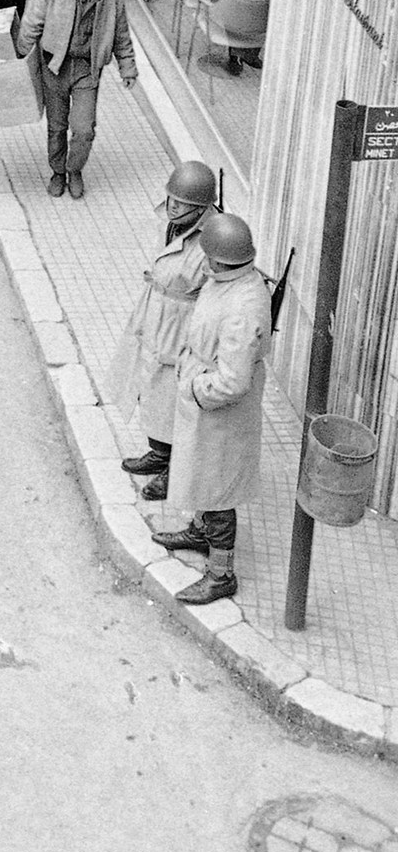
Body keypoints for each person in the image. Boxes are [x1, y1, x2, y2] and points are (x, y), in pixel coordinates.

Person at [151, 211, 273, 606]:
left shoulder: (243, 305)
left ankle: (221, 574)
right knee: (204, 479)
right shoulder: (231, 280)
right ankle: (200, 533)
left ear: (220, 259)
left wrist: (196, 389)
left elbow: (233, 382)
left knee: (218, 493)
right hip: (204, 402)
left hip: (218, 411)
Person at [109, 159, 218, 502]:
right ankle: (158, 453)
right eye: (170, 198)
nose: (172, 206)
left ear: (200, 208)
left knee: (178, 402)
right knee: (153, 391)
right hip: (157, 314)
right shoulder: (171, 225)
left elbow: (216, 295)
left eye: (182, 203)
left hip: (184, 328)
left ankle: (176, 470)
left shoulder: (212, 241)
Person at [16, 0, 138, 199]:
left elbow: (121, 36)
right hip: (54, 67)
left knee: (84, 129)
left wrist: (128, 68)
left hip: (87, 70)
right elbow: (31, 24)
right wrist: (20, 59)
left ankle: (74, 169)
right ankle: (58, 171)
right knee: (57, 126)